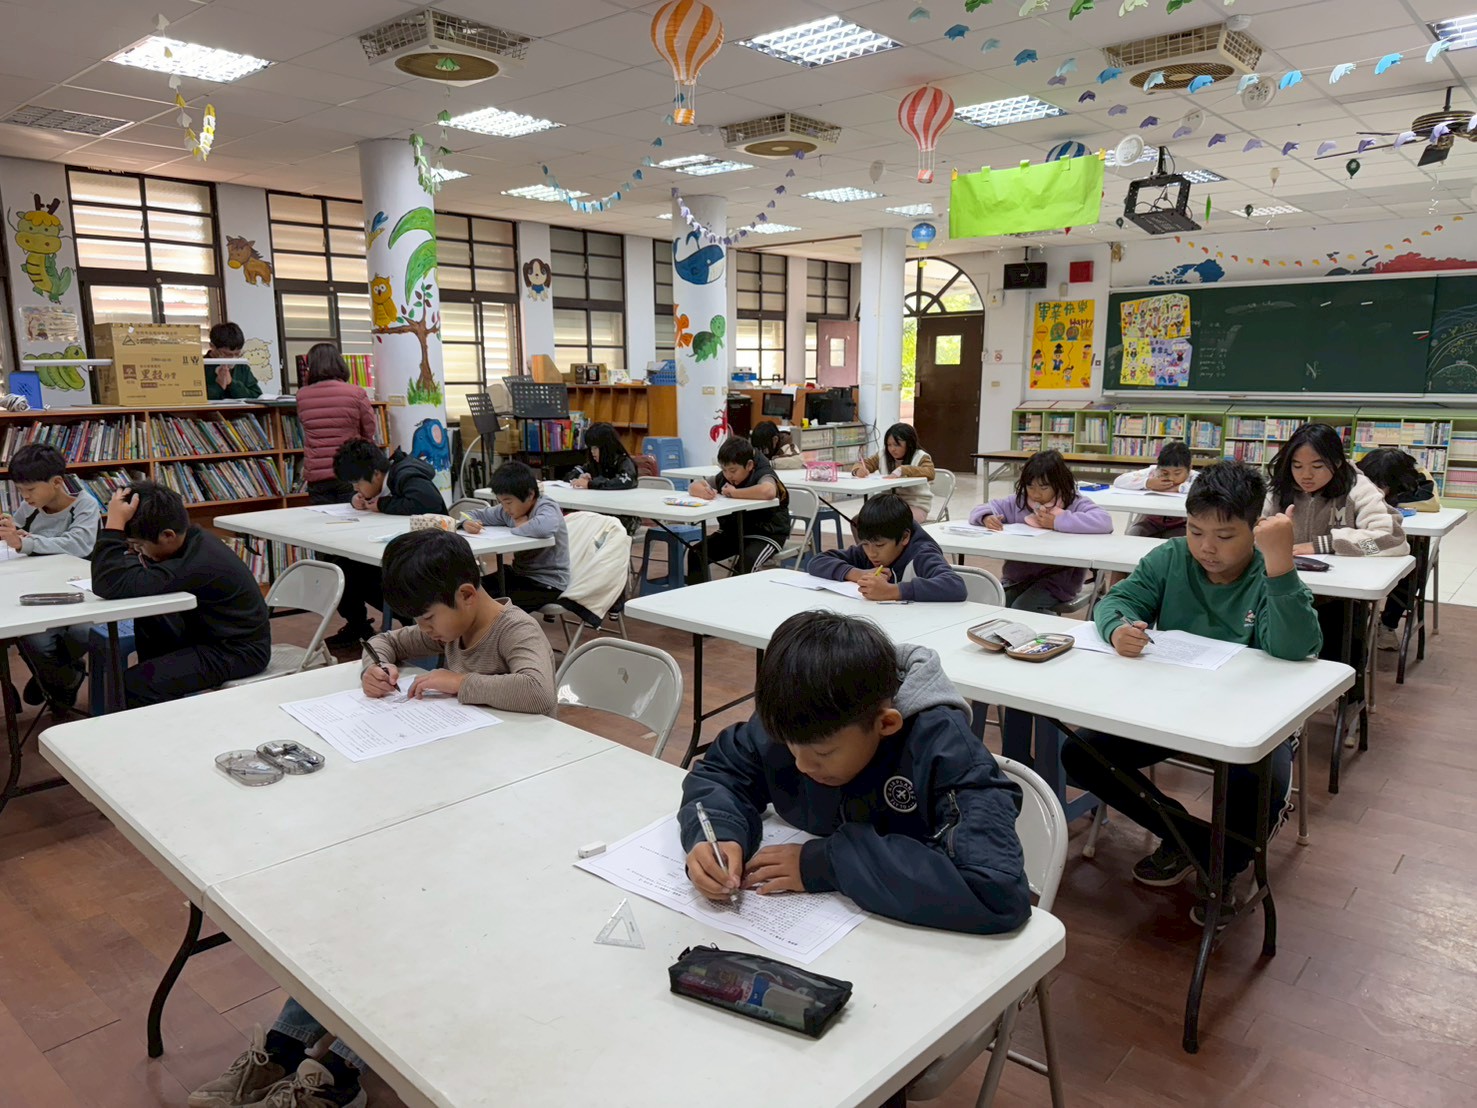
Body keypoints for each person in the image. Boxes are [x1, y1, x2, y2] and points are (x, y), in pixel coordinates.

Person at [189, 530, 554, 1108]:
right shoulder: (448, 622)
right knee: (368, 911)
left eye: (429, 619)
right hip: (452, 793)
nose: (427, 631)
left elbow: (538, 693)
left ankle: (340, 1068)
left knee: (415, 924)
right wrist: (376, 667)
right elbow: (383, 641)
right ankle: (284, 1046)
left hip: (508, 807)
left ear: (466, 594)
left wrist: (459, 681)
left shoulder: (515, 629)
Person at [1060, 461, 1320, 919]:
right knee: (1081, 753)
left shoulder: (1269, 569)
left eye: (1225, 536)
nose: (1207, 548)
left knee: (1256, 778)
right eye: (1196, 531)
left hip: (1250, 715)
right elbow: (1119, 600)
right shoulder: (1172, 557)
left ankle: (1220, 867)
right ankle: (1202, 846)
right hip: (1173, 706)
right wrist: (1119, 628)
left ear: (1255, 529)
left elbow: (1294, 649)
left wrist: (1281, 565)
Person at [679, 610, 1031, 934]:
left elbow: (993, 890)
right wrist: (719, 832)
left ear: (885, 724)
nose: (802, 765)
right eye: (790, 748)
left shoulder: (945, 750)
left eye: (823, 753)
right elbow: (723, 773)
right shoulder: (797, 716)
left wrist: (828, 863)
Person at [90, 481, 270, 707]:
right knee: (151, 617)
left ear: (168, 535)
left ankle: (162, 718)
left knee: (137, 683)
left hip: (238, 651)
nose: (137, 552)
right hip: (207, 634)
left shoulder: (198, 562)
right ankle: (165, 699)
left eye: (139, 545)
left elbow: (108, 584)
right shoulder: (188, 541)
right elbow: (118, 580)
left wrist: (114, 525)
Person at [1264, 423, 1407, 697]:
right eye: (1296, 466)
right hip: (1283, 590)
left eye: (1317, 466)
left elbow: (1392, 539)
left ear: (1337, 462)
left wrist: (1324, 544)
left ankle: (1347, 701)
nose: (1305, 475)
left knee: (1340, 641)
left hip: (1338, 597)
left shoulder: (1357, 488)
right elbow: (1253, 526)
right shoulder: (1280, 488)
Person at [4, 443, 101, 708]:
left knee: (82, 633)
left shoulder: (84, 505)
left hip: (81, 594)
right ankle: (65, 679)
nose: (25, 497)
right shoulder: (31, 507)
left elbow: (79, 544)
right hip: (38, 591)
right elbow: (19, 533)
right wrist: (11, 531)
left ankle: (51, 678)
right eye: (20, 490)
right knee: (33, 638)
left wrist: (27, 542)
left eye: (30, 489)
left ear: (57, 482)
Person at [326, 438, 444, 647]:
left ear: (376, 474)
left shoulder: (406, 474)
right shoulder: (382, 478)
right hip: (400, 549)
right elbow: (365, 494)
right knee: (336, 562)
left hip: (426, 556)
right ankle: (359, 626)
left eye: (357, 484)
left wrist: (382, 504)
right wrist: (355, 499)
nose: (356, 488)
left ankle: (410, 618)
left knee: (348, 570)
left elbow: (429, 502)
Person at [968, 449, 1112, 611]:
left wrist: (1058, 521)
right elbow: (981, 509)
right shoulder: (1019, 502)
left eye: (1044, 488)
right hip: (1018, 578)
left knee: (1023, 607)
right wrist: (986, 517)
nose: (1036, 494)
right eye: (1030, 487)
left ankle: (1049, 627)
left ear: (1058, 484)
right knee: (1001, 605)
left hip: (1058, 581)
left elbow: (1104, 521)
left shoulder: (1072, 501)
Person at [808, 491, 965, 602]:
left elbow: (955, 586)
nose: (871, 553)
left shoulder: (921, 554)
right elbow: (817, 561)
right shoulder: (867, 549)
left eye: (880, 545)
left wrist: (892, 591)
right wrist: (857, 574)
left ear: (904, 537)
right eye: (865, 544)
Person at [1357, 447, 1439, 651]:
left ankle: (1388, 624)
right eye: (1372, 483)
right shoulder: (1356, 475)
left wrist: (1385, 500)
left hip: (1405, 542)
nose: (1377, 489)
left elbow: (1431, 503)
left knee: (1413, 567)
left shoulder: (1417, 475)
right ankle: (1359, 614)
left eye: (1383, 484)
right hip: (1367, 542)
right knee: (1353, 560)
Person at [461, 460, 570, 613]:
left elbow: (544, 527)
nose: (505, 509)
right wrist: (466, 522)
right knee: (468, 592)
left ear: (530, 494)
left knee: (489, 607)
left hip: (547, 582)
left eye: (508, 502)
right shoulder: (509, 510)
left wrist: (518, 527)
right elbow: (472, 514)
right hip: (519, 574)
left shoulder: (545, 506)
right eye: (501, 502)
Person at [687, 435, 791, 584]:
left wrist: (735, 493)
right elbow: (695, 485)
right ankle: (699, 595)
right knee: (697, 553)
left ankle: (735, 598)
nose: (728, 475)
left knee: (745, 564)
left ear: (749, 465)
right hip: (734, 533)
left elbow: (768, 491)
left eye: (733, 471)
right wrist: (702, 491)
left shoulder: (763, 472)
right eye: (724, 470)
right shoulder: (726, 476)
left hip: (766, 533)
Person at [296, 342, 377, 505]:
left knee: (323, 517)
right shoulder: (356, 392)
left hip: (317, 473)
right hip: (349, 468)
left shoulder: (302, 395)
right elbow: (369, 428)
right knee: (354, 513)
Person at [1112, 439, 1196, 538]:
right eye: (1165, 473)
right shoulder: (1152, 472)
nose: (1171, 478)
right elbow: (1119, 480)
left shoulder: (1194, 477)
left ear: (1189, 468)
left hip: (1181, 525)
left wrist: (1179, 488)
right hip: (1150, 522)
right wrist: (1147, 483)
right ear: (1158, 467)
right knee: (1133, 533)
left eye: (1177, 473)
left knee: (1177, 540)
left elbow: (1207, 487)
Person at [852, 422, 935, 521]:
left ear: (909, 444)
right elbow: (865, 463)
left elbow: (930, 472)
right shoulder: (883, 455)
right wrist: (858, 470)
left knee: (893, 523)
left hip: (914, 504)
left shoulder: (921, 456)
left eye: (897, 445)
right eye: (889, 445)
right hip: (888, 505)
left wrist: (903, 470)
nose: (892, 449)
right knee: (857, 521)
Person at [568, 422, 637, 490]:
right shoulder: (594, 463)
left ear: (606, 447)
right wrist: (580, 477)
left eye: (595, 448)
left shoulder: (623, 461)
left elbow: (627, 481)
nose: (592, 452)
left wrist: (590, 484)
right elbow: (571, 475)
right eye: (591, 448)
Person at [204, 322, 262, 401]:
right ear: (212, 346)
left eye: (237, 354)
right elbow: (192, 398)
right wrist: (218, 387)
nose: (233, 358)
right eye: (227, 354)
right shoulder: (200, 366)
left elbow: (257, 396)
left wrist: (232, 384)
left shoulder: (242, 367)